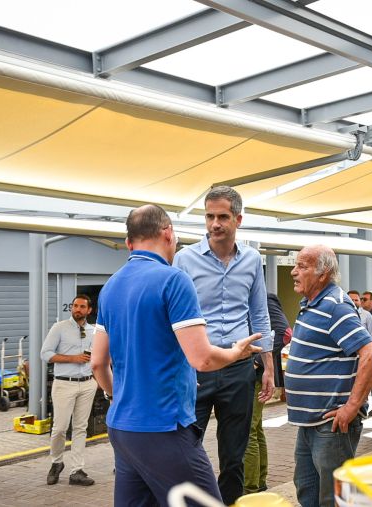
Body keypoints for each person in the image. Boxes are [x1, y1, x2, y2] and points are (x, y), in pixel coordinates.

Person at [91, 204, 261, 506]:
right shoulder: (174, 280)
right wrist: (235, 352)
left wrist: (120, 395)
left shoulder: (110, 287)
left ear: (129, 243)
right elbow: (203, 359)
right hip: (163, 428)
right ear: (168, 233)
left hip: (121, 428)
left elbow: (97, 363)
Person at [173, 186, 273, 505]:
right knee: (186, 446)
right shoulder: (184, 259)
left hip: (239, 368)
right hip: (197, 367)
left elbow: (259, 313)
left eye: (222, 217)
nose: (215, 224)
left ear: (238, 220)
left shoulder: (252, 259)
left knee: (234, 454)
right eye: (209, 217)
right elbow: (171, 316)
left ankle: (230, 501)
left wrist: (269, 368)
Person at [286, 245, 372, 507]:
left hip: (332, 425)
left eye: (302, 266)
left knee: (336, 499)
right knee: (308, 492)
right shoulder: (311, 303)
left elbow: (371, 355)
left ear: (323, 273)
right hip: (311, 423)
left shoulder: (335, 306)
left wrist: (351, 407)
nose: (294, 271)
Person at [41, 295, 98, 486]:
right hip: (64, 383)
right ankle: (56, 462)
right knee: (60, 428)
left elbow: (100, 355)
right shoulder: (59, 328)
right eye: (75, 306)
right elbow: (45, 354)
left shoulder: (94, 331)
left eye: (82, 306)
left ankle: (77, 471)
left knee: (81, 428)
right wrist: (73, 358)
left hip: (88, 383)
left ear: (89, 310)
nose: (77, 309)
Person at [244, 294, 289, 495]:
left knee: (248, 429)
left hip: (255, 376)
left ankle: (250, 488)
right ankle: (258, 482)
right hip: (251, 375)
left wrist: (257, 362)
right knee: (254, 428)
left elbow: (285, 333)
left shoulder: (264, 298)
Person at [348, 290, 372, 416]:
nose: (354, 302)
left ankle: (362, 410)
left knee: (363, 384)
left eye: (356, 300)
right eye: (351, 299)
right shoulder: (342, 315)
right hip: (348, 359)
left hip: (363, 358)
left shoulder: (367, 315)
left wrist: (370, 354)